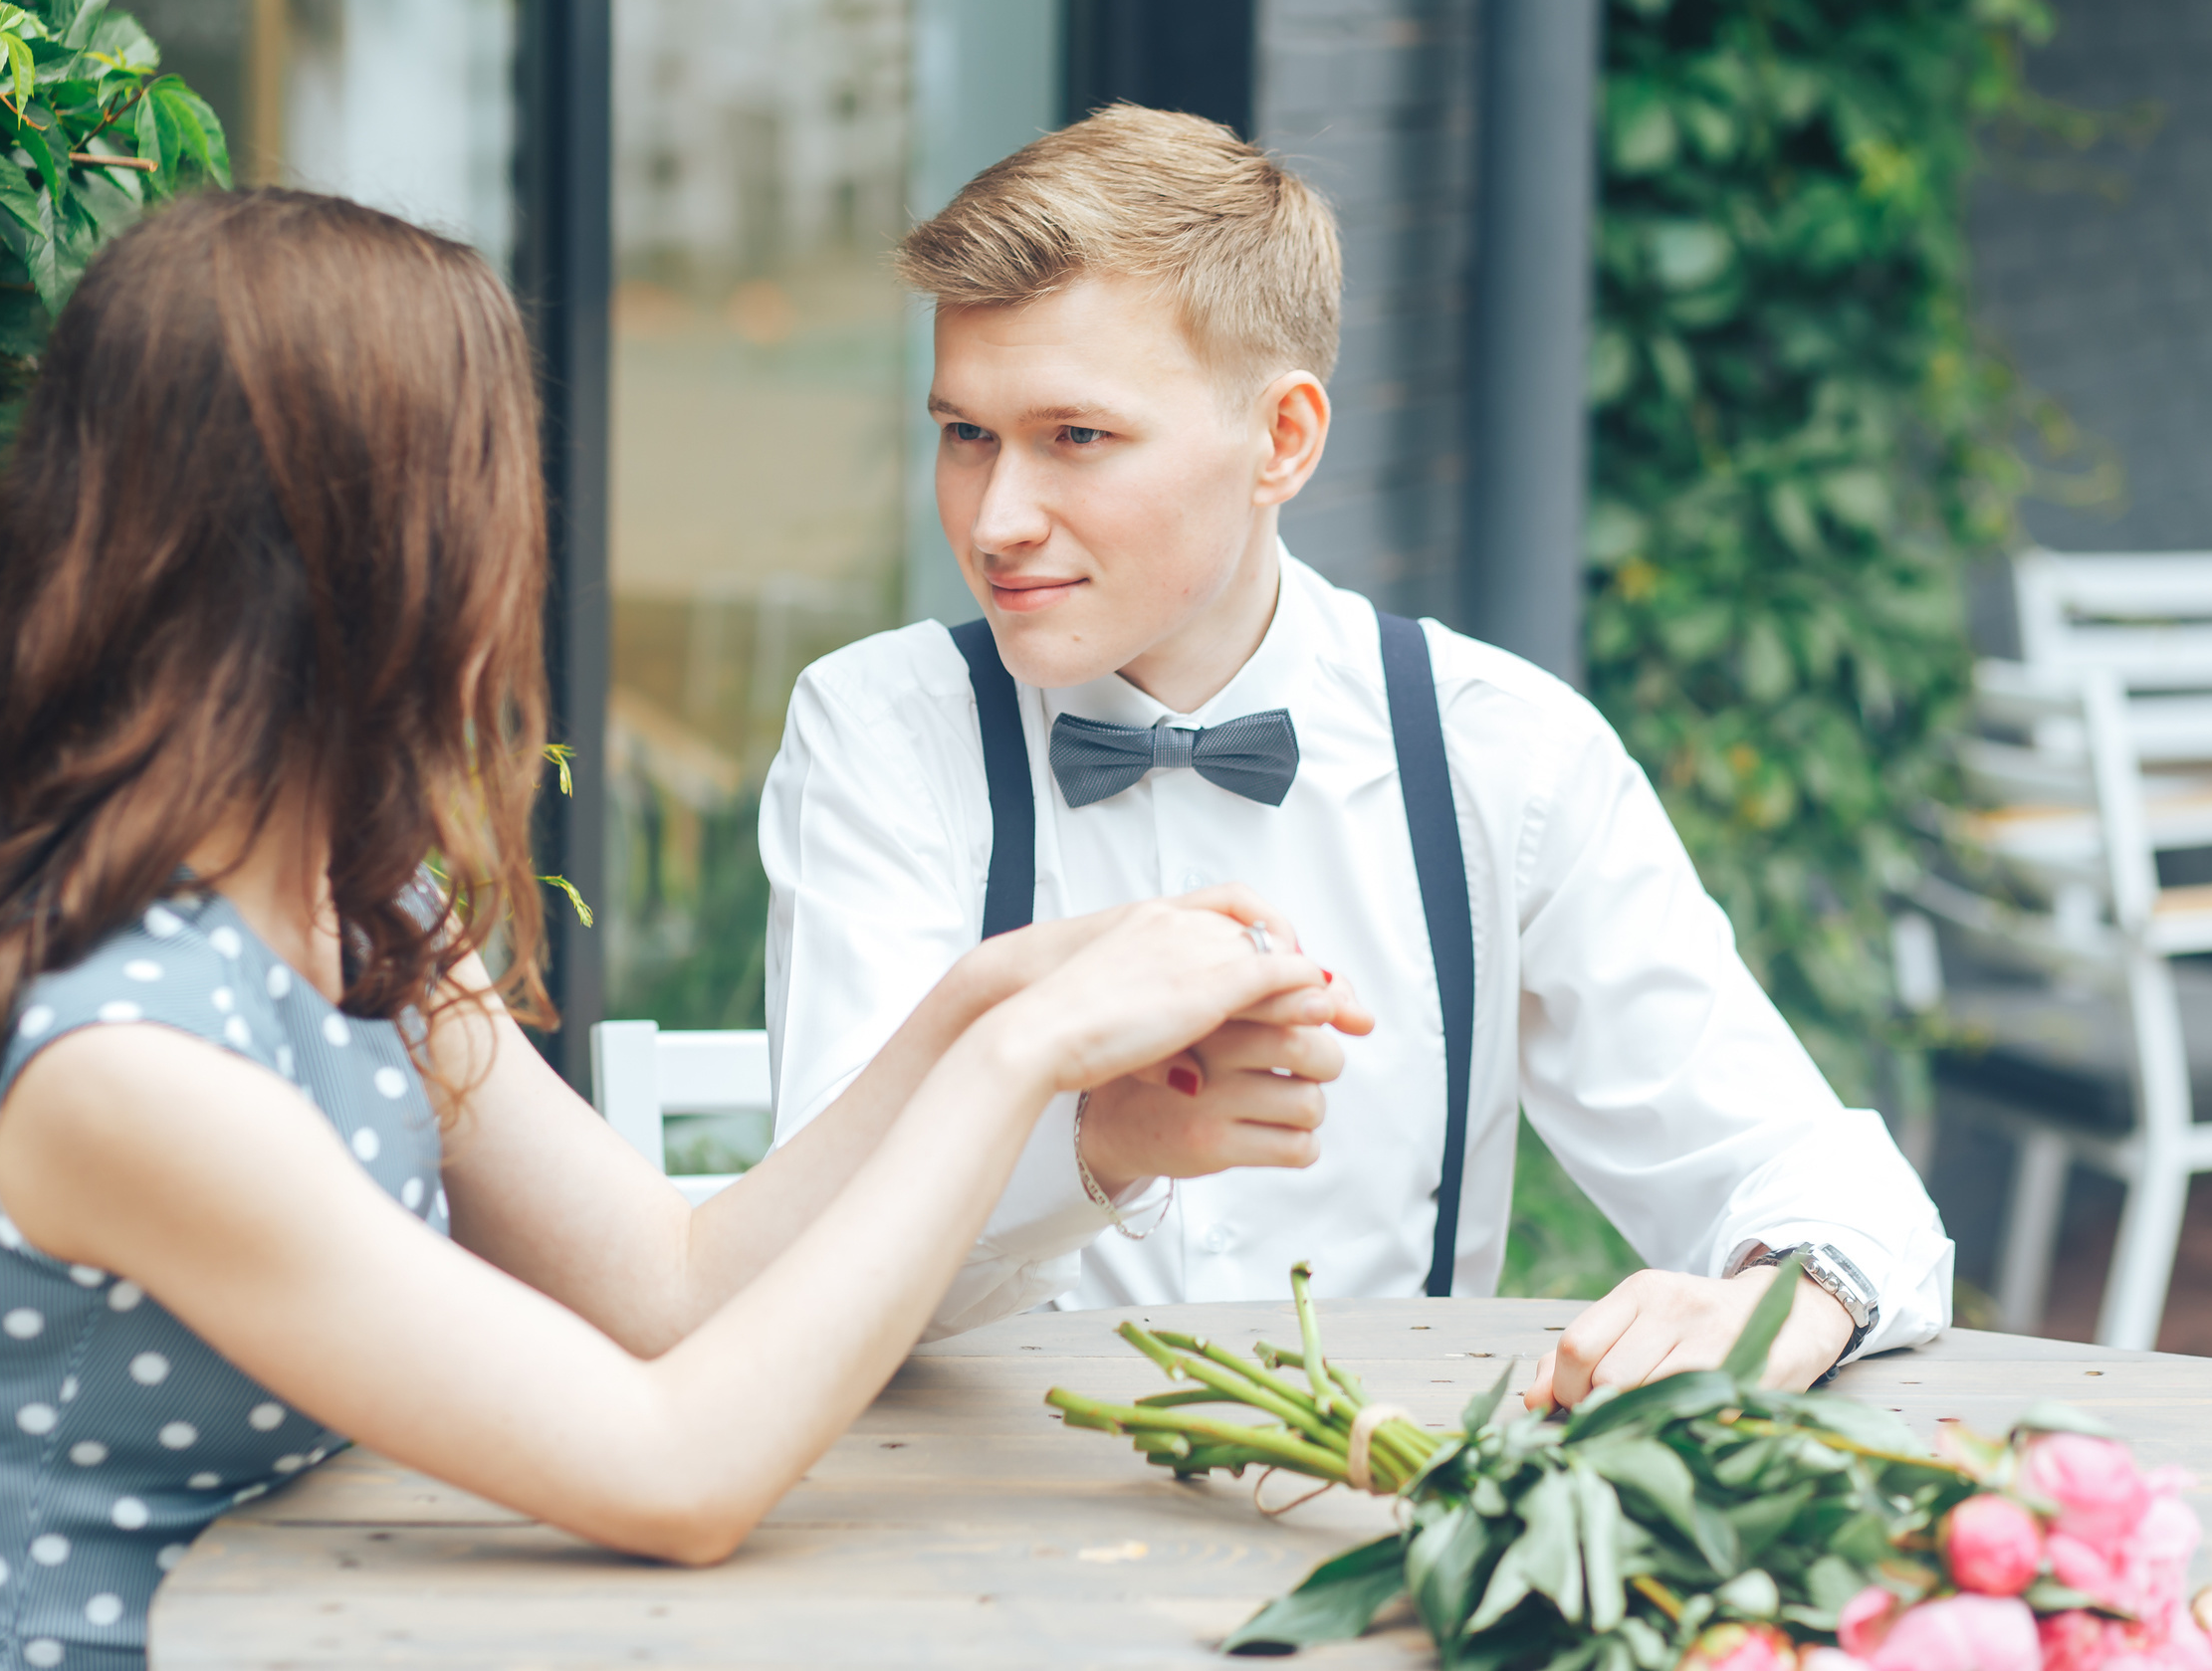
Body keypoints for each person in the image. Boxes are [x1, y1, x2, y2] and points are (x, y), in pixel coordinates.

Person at [0, 189, 1366, 1670]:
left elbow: (676, 1282)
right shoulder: (122, 1061)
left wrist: (980, 997)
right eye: (492, 478)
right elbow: (678, 1473)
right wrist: (1023, 1059)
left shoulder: (357, 905)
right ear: (370, 545)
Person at [761, 105, 1954, 1404]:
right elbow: (806, 1271)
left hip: (1379, 1528)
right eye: (966, 433)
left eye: (1076, 438)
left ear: (1283, 439)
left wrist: (1780, 1303)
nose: (995, 519)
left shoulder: (1505, 754)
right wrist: (1094, 1147)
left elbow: (1827, 1185)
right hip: (958, 1540)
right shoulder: (877, 731)